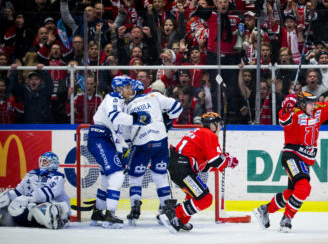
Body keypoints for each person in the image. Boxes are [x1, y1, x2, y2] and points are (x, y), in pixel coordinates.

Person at [253, 81, 328, 232]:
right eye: (310, 103)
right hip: (292, 155)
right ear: (302, 104)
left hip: (305, 159)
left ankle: (264, 210)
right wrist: (287, 107)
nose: (314, 106)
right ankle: (287, 218)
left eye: (315, 102)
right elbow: (283, 120)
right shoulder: (295, 114)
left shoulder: (319, 111)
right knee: (304, 187)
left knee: (291, 192)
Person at [87, 75, 151, 228]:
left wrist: (122, 150)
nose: (131, 89)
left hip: (106, 139)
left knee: (106, 178)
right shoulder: (113, 98)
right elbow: (115, 118)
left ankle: (98, 213)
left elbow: (118, 132)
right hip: (99, 137)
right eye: (127, 86)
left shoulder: (122, 103)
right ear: (118, 88)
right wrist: (135, 119)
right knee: (116, 175)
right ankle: (110, 215)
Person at [159, 112, 239, 234]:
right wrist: (228, 161)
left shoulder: (198, 132)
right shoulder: (209, 135)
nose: (220, 127)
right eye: (219, 124)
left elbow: (204, 166)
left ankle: (181, 220)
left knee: (193, 195)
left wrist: (223, 160)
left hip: (179, 167)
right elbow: (216, 161)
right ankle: (173, 213)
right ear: (213, 125)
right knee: (205, 199)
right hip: (183, 169)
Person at [124, 79, 183, 226]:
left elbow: (125, 134)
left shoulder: (128, 106)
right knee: (160, 176)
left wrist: (126, 143)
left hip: (141, 144)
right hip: (160, 141)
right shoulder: (154, 96)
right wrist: (167, 119)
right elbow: (177, 107)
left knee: (135, 177)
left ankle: (135, 207)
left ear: (133, 92)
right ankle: (166, 210)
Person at [0, 152, 70, 229]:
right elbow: (18, 192)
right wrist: (7, 197)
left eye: (45, 161)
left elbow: (47, 193)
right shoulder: (32, 174)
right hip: (34, 210)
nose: (42, 163)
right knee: (6, 213)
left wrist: (27, 198)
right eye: (41, 161)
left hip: (58, 211)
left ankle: (55, 219)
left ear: (53, 163)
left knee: (39, 208)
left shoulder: (57, 177)